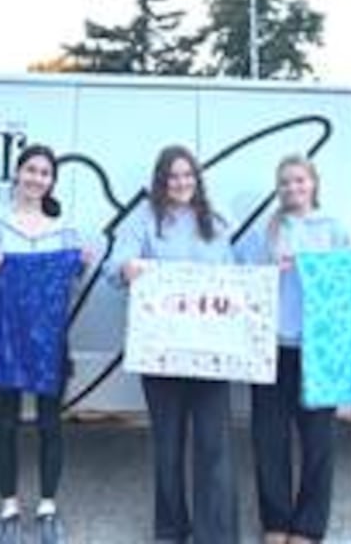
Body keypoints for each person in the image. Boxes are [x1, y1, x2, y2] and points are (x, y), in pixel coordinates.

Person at [110, 145, 239, 544]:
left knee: (213, 445)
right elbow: (113, 267)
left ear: (197, 179)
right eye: (173, 176)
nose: (181, 183)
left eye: (188, 175)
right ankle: (170, 529)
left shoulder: (216, 223)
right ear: (161, 181)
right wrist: (125, 267)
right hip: (161, 353)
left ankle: (214, 534)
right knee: (167, 445)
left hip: (211, 355)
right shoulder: (143, 221)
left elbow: (234, 280)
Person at [0, 144, 88, 544]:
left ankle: (47, 506)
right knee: (3, 422)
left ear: (51, 181)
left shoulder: (65, 231)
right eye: (31, 170)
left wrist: (80, 262)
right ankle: (8, 507)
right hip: (7, 336)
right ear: (18, 174)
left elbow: (71, 287)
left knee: (49, 423)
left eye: (44, 172)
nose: (37, 178)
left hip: (50, 340)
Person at [236, 154, 350, 544]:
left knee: (319, 441)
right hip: (271, 348)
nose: (292, 188)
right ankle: (276, 523)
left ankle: (308, 527)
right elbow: (239, 281)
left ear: (313, 183)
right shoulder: (264, 233)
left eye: (299, 181)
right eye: (285, 182)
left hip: (319, 350)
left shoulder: (334, 230)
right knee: (269, 440)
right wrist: (270, 271)